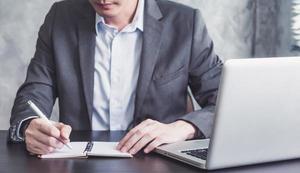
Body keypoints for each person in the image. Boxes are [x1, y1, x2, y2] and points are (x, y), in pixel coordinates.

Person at [9, 0, 223, 156]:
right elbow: (34, 91)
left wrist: (183, 128)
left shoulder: (186, 23)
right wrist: (30, 124)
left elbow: (227, 103)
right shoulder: (60, 17)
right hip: (79, 168)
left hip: (161, 167)